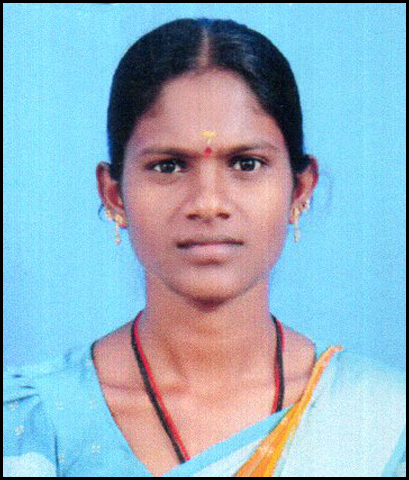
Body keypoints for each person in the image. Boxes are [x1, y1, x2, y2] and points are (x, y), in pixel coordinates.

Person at [3, 18, 405, 477]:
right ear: (114, 194)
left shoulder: (379, 422)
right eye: (169, 166)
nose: (209, 203)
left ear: (300, 189)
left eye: (247, 164)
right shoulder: (31, 427)